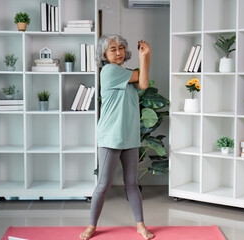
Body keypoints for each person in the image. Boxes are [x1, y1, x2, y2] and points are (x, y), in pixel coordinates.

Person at [79, 34, 154, 240]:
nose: (119, 52)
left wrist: (146, 56)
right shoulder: (110, 71)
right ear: (104, 54)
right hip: (111, 137)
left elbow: (144, 83)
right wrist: (143, 59)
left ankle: (140, 226)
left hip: (129, 136)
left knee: (131, 184)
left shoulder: (124, 73)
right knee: (103, 185)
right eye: (113, 49)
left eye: (121, 48)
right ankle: (91, 226)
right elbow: (141, 78)